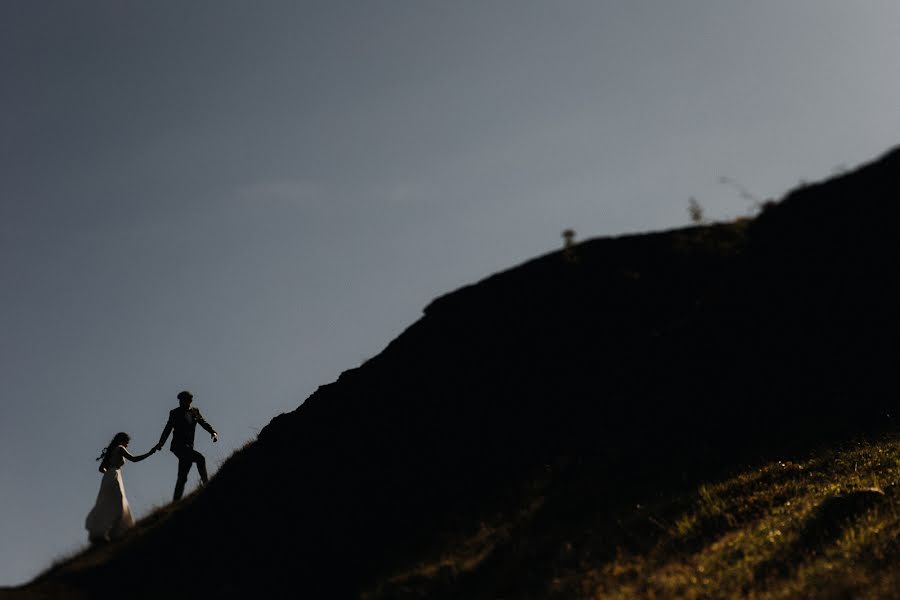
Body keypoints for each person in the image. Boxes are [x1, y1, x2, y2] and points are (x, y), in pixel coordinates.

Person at [85, 432, 156, 543]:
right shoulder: (120, 448)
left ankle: (107, 531)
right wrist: (150, 453)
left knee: (107, 502)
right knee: (117, 501)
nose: (127, 445)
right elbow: (134, 459)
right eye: (126, 443)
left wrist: (109, 472)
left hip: (107, 477)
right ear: (122, 441)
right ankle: (115, 531)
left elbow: (100, 469)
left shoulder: (110, 451)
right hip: (114, 475)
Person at [155, 390, 219, 501]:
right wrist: (160, 443)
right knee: (200, 458)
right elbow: (168, 429)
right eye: (179, 401)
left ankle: (175, 502)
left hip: (189, 447)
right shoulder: (174, 413)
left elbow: (203, 422)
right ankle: (206, 484)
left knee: (182, 477)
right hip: (178, 446)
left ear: (189, 401)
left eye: (183, 401)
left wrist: (213, 432)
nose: (180, 403)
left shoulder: (195, 411)